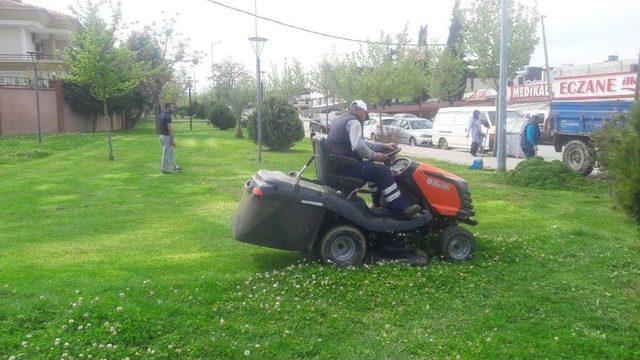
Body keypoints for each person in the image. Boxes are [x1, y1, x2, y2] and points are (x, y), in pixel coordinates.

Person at [326, 100, 422, 219]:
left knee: (372, 167)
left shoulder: (341, 119)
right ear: (362, 112)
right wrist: (375, 156)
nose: (363, 119)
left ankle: (376, 204)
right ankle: (400, 210)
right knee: (383, 171)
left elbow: (362, 142)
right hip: (347, 167)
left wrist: (383, 146)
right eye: (365, 116)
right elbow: (357, 146)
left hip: (340, 164)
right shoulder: (354, 121)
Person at [158, 103, 181, 174]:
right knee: (166, 154)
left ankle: (175, 167)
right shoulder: (168, 117)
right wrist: (172, 140)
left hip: (161, 136)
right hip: (166, 137)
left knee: (171, 153)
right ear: (167, 108)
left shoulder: (161, 114)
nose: (173, 109)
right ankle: (165, 169)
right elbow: (170, 129)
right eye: (172, 108)